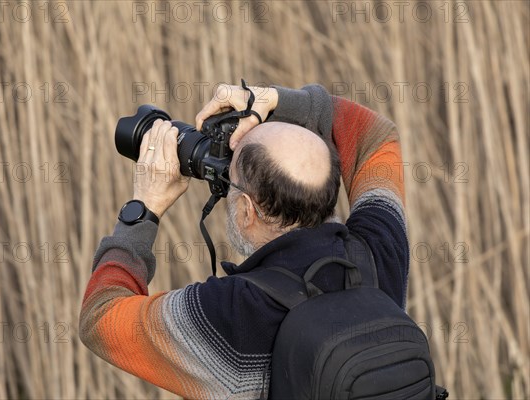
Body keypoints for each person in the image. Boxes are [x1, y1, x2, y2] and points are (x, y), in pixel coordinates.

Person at [79, 83, 408, 399]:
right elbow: (374, 136)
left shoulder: (231, 313)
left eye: (230, 180)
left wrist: (145, 206)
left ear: (248, 211)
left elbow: (101, 317)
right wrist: (273, 99)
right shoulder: (377, 249)